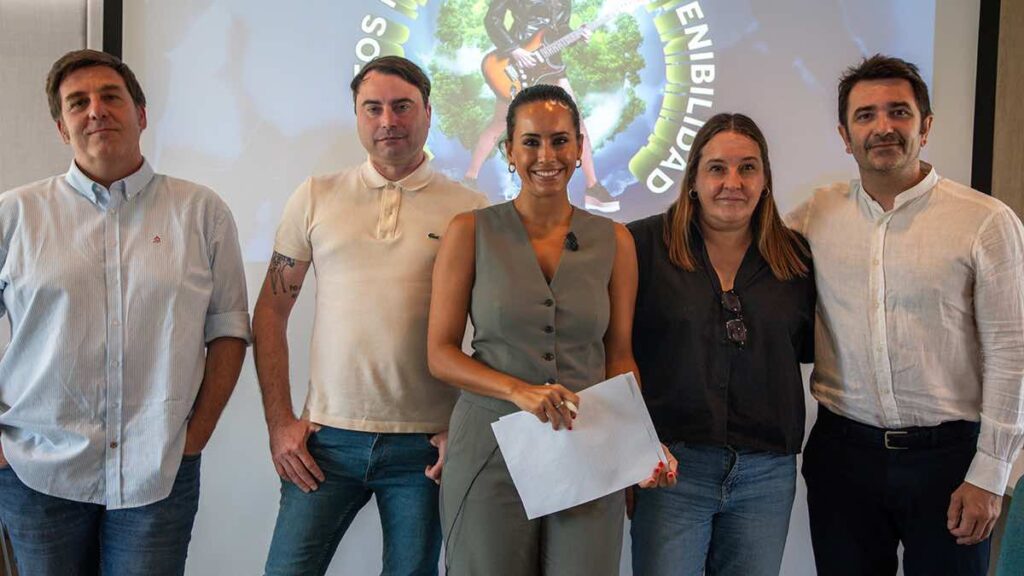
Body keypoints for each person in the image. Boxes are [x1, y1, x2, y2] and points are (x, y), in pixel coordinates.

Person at [0, 49, 250, 575]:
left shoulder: (201, 213)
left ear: (141, 113)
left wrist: (193, 438)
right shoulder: (14, 215)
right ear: (61, 127)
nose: (96, 110)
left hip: (157, 471)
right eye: (78, 103)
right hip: (35, 470)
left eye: (111, 96)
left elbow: (228, 329)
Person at [788, 54, 1024, 576]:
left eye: (899, 112)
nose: (884, 127)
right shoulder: (815, 214)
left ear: (926, 126)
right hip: (842, 454)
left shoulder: (986, 222)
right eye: (866, 115)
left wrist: (990, 473)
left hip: (950, 461)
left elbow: (1014, 355)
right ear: (845, 136)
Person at [428, 83, 675, 575]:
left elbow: (619, 355)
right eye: (532, 141)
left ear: (580, 146)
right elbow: (440, 353)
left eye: (561, 140)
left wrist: (639, 443)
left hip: (589, 443)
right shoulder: (468, 231)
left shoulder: (615, 240)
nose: (547, 155)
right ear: (509, 151)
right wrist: (517, 390)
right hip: (489, 447)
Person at [255, 55, 487, 576]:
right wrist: (278, 424)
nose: (389, 121)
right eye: (373, 108)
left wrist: (465, 427)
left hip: (426, 449)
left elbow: (495, 332)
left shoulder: (469, 208)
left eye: (403, 106)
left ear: (428, 112)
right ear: (357, 116)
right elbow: (271, 311)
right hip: (324, 442)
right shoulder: (316, 195)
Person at [627, 113, 815, 576]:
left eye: (748, 168)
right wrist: (627, 451)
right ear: (692, 179)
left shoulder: (796, 256)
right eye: (717, 168)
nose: (733, 182)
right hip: (672, 468)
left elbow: (805, 349)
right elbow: (612, 354)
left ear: (765, 180)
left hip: (767, 475)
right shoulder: (640, 246)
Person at [466, 0, 620, 213]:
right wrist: (515, 50)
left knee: (577, 124)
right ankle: (469, 179)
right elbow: (492, 19)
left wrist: (577, 36)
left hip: (550, 65)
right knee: (500, 124)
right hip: (517, 65)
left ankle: (592, 187)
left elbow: (559, 30)